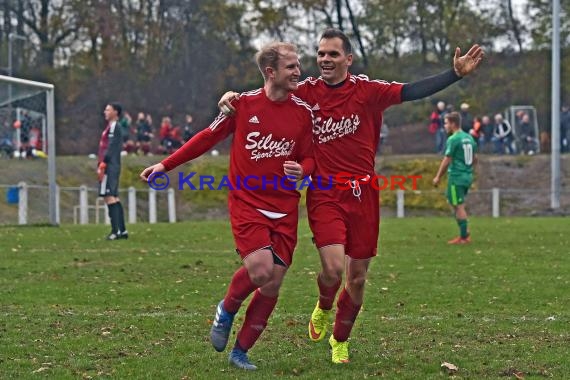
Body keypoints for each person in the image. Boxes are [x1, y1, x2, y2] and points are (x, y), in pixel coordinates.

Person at [218, 28, 484, 364]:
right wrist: (232, 96)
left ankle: (340, 340)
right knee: (332, 270)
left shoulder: (369, 91)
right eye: (321, 54)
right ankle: (324, 304)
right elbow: (270, 89)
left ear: (348, 59)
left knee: (356, 279)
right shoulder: (307, 91)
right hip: (326, 193)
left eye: (332, 54)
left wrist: (454, 74)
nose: (325, 60)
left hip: (364, 194)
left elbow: (411, 91)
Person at [140, 42, 314, 371]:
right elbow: (206, 137)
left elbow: (309, 157)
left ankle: (240, 352)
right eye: (291, 66)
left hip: (286, 208)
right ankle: (227, 308)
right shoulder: (242, 105)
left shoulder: (303, 112)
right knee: (261, 270)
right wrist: (166, 165)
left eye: (298, 65)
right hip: (248, 202)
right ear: (270, 72)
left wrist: (303, 170)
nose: (298, 71)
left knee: (273, 283)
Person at [433, 112, 477, 244]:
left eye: (446, 123)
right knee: (455, 203)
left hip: (456, 176)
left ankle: (464, 236)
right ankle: (465, 232)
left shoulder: (453, 139)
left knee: (458, 205)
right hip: (467, 175)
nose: (445, 126)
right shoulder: (469, 138)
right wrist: (470, 171)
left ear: (453, 124)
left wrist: (437, 177)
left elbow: (447, 159)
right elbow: (475, 158)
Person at [97, 103, 128, 240]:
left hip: (110, 166)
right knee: (114, 197)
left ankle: (115, 231)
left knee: (108, 196)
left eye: (108, 109)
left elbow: (111, 146)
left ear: (115, 112)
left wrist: (104, 162)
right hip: (112, 165)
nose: (105, 111)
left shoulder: (115, 126)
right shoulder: (111, 127)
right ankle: (122, 230)